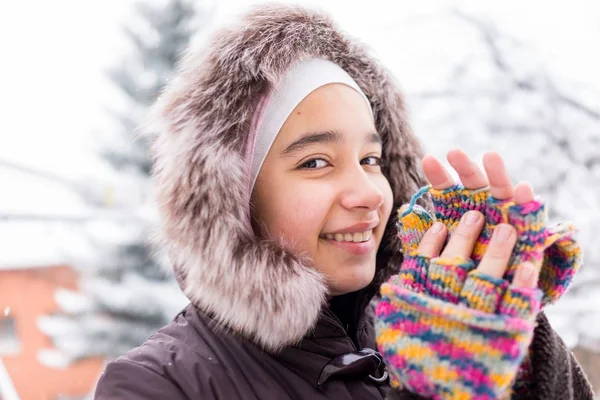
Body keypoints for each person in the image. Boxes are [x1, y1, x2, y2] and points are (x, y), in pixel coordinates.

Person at [94, 4, 593, 399]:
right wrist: (431, 386)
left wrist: (514, 330)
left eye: (372, 159)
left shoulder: (436, 319)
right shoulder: (156, 385)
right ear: (233, 199)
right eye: (315, 162)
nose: (367, 194)